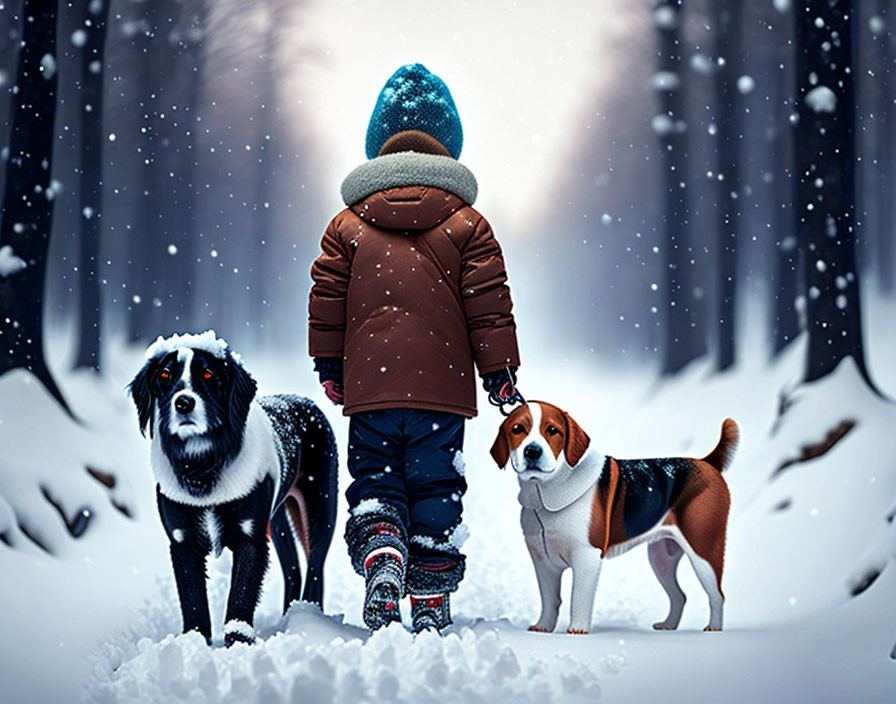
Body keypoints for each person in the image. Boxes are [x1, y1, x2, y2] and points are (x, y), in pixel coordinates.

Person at [308, 63, 520, 632]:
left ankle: (381, 551)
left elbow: (327, 296)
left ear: (378, 147)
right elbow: (489, 305)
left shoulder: (346, 225)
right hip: (441, 394)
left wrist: (330, 363)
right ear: (449, 147)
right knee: (435, 484)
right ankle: (429, 597)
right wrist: (500, 373)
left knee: (376, 477)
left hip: (371, 389)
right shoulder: (469, 225)